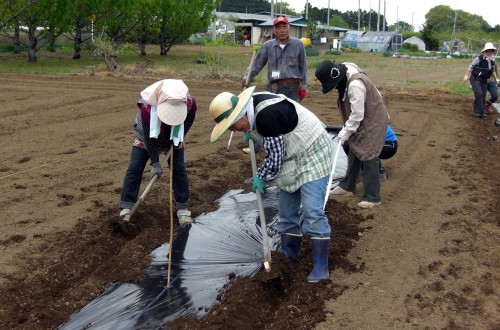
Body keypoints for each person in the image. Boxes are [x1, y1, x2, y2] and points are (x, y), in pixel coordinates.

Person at [208, 87, 333, 283]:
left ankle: (320, 267)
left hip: (312, 151)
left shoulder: (266, 116)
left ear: (241, 113)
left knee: (312, 211)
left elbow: (275, 157)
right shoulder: (252, 111)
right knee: (286, 214)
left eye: (233, 126)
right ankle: (288, 258)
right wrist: (253, 134)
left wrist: (261, 175)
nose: (233, 130)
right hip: (290, 156)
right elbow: (274, 142)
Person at [119, 79, 197, 227]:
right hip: (146, 134)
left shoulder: (190, 103)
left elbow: (188, 122)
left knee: (178, 168)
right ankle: (126, 207)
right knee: (135, 167)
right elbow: (149, 138)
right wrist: (155, 162)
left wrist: (177, 139)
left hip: (175, 132)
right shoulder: (147, 107)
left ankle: (183, 210)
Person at [315, 60, 389, 209]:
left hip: (373, 118)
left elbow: (357, 115)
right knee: (354, 147)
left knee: (369, 154)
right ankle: (347, 186)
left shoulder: (355, 85)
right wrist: (348, 133)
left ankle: (373, 197)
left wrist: (345, 131)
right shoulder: (345, 71)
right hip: (362, 116)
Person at [241, 16, 307, 103]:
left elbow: (303, 67)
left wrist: (303, 87)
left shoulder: (298, 44)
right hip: (274, 87)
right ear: (274, 31)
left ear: (289, 29)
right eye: (279, 28)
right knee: (273, 114)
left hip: (293, 88)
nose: (282, 30)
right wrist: (247, 77)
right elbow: (256, 65)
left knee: (291, 114)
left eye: (284, 27)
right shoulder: (267, 46)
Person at [463, 42, 498, 118]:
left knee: (483, 95)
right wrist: (466, 75)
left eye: (491, 51)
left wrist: (496, 79)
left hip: (484, 80)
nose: (489, 52)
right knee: (479, 93)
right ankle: (477, 112)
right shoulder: (478, 58)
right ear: (485, 51)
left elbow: (493, 71)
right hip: (475, 78)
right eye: (488, 50)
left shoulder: (492, 60)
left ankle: (481, 112)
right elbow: (471, 66)